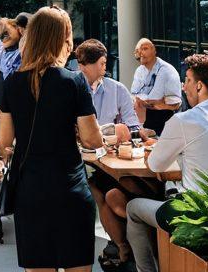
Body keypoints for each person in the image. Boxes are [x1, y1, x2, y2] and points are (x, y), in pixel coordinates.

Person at [126, 54, 208, 272]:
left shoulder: (184, 120)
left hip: (200, 217)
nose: (183, 87)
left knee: (133, 208)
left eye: (187, 80)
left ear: (199, 86)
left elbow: (155, 165)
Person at [0, 6, 103, 272]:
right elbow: (93, 140)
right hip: (69, 188)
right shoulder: (74, 82)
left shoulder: (11, 83)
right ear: (62, 39)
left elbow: (5, 142)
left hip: (30, 190)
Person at [75, 39, 144, 268]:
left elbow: (133, 127)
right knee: (96, 190)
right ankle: (122, 245)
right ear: (84, 65)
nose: (106, 68)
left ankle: (121, 245)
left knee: (107, 191)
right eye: (102, 63)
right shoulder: (71, 88)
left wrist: (124, 133)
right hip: (80, 158)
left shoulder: (117, 89)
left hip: (110, 159)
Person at [131, 39, 183, 135]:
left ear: (154, 51)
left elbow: (173, 102)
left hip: (165, 118)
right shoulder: (139, 70)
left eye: (144, 49)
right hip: (146, 116)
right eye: (138, 50)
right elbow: (135, 95)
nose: (140, 53)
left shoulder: (166, 70)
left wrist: (153, 103)